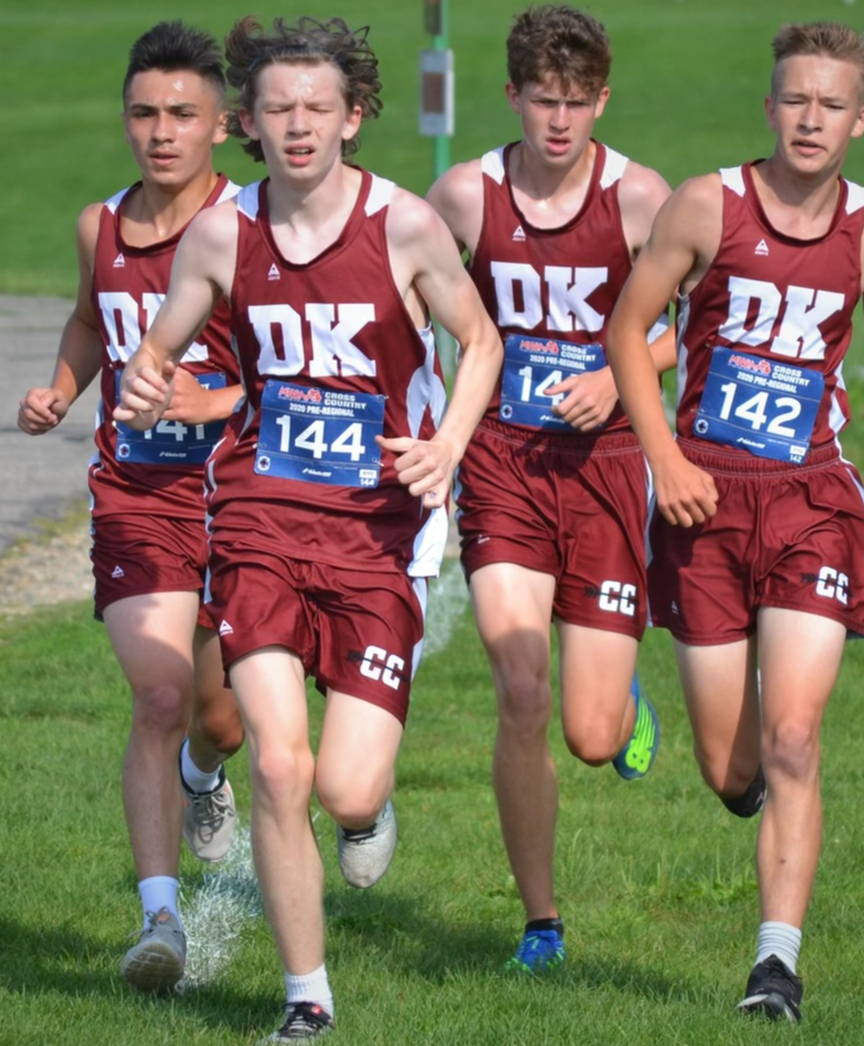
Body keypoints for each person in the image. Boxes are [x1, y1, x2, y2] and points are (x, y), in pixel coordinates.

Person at [114, 15, 503, 1043]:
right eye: (277, 108)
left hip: (380, 528)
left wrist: (450, 443)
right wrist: (150, 384)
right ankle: (305, 994)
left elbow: (479, 341)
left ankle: (368, 808)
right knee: (279, 767)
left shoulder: (406, 225)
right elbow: (161, 352)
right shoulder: (219, 232)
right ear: (248, 119)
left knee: (341, 782)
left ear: (352, 116)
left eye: (316, 109)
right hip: (259, 518)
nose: (295, 127)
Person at [605, 20, 864, 1022]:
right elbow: (626, 331)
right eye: (793, 100)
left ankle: (774, 965)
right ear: (768, 107)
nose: (808, 119)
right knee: (731, 770)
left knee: (793, 735)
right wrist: (667, 460)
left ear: (859, 118)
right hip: (703, 504)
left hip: (811, 499)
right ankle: (747, 791)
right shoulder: (704, 205)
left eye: (829, 104)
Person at [427, 3, 675, 973]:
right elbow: (403, 287)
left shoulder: (640, 199)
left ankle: (621, 699)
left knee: (587, 730)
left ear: (600, 99)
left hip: (608, 471)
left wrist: (619, 375)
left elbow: (686, 332)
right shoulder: (463, 195)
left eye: (576, 103)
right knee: (519, 684)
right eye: (542, 101)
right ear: (512, 97)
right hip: (504, 467)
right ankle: (540, 921)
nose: (558, 122)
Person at [17, 21, 245, 993]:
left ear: (222, 126)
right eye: (145, 113)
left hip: (245, 499)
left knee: (221, 719)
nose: (161, 132)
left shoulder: (255, 227)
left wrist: (215, 400)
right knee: (157, 695)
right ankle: (160, 917)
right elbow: (87, 314)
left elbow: (313, 371)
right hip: (137, 495)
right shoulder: (97, 225)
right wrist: (64, 386)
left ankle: (205, 773)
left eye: (182, 115)